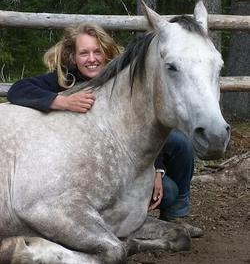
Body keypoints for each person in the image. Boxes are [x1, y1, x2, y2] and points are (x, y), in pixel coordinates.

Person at [7, 23, 194, 221]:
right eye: (84, 53)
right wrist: (63, 101)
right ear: (73, 57)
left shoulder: (123, 76)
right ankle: (119, 218)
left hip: (132, 153)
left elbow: (146, 128)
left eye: (97, 52)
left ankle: (176, 215)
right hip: (96, 164)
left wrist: (157, 168)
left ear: (106, 52)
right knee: (169, 191)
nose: (92, 59)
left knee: (179, 143)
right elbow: (18, 90)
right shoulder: (65, 79)